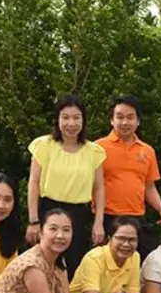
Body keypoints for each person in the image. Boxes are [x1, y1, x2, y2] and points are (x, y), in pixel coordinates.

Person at [26, 94, 106, 279]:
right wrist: (33, 221)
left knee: (73, 267)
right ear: (57, 119)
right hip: (48, 211)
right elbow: (34, 183)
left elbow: (99, 188)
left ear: (84, 120)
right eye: (66, 117)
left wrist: (99, 222)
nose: (71, 123)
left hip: (79, 215)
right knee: (41, 265)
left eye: (76, 117)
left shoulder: (94, 151)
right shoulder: (44, 145)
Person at [95, 95, 161, 260]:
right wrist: (97, 222)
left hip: (136, 217)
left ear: (138, 121)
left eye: (130, 117)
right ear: (111, 120)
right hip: (106, 217)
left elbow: (149, 186)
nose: (125, 122)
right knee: (104, 264)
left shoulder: (147, 151)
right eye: (120, 117)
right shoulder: (98, 148)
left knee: (151, 262)